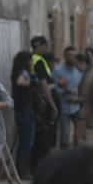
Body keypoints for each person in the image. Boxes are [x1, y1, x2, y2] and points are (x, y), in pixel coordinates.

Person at [30, 36, 59, 170]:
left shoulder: (36, 60)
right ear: (39, 46)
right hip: (42, 104)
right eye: (45, 45)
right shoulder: (39, 61)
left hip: (39, 102)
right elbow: (44, 84)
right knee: (44, 136)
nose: (47, 48)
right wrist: (53, 105)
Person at [11, 51, 39, 179]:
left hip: (23, 109)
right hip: (24, 110)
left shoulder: (20, 71)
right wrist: (32, 83)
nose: (31, 63)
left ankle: (22, 170)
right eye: (30, 60)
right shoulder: (22, 72)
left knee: (26, 141)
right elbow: (21, 82)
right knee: (27, 141)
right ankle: (24, 171)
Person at [53, 47, 84, 148]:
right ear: (64, 56)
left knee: (80, 136)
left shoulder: (79, 70)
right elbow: (55, 89)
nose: (71, 57)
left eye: (74, 55)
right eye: (69, 55)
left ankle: (77, 157)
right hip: (64, 107)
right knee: (65, 137)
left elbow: (83, 86)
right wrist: (66, 91)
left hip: (77, 107)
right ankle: (63, 159)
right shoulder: (57, 71)